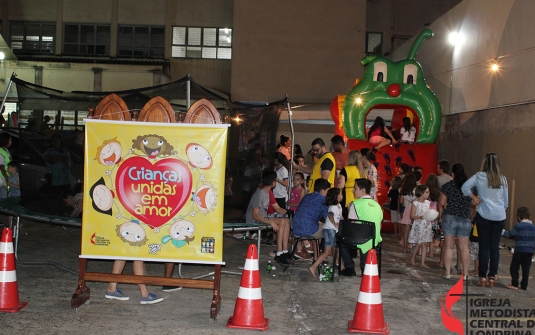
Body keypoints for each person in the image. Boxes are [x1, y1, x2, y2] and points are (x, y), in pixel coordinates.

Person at [462, 153, 508, 288]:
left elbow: (464, 187)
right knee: (495, 247)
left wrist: (474, 198)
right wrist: (499, 210)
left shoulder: (479, 176)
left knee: (484, 247)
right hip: (499, 216)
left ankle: (482, 276)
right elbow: (506, 201)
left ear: (485, 163)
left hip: (484, 215)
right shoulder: (503, 179)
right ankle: (492, 277)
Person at [246, 170, 291, 266]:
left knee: (286, 220)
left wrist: (289, 212)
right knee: (282, 221)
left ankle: (285, 251)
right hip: (254, 220)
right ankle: (279, 253)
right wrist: (270, 222)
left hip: (262, 217)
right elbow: (255, 215)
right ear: (273, 182)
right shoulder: (260, 193)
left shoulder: (268, 191)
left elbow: (278, 208)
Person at [340, 178, 383, 276]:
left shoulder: (355, 204)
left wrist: (349, 209)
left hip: (359, 239)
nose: (353, 191)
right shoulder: (377, 205)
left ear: (363, 190)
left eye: (355, 188)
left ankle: (349, 267)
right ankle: (365, 267)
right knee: (365, 238)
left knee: (340, 240)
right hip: (374, 240)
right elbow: (379, 223)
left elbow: (351, 225)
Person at [438, 163, 473, 278]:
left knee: (449, 246)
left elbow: (442, 203)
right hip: (465, 217)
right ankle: (466, 274)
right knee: (464, 247)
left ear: (452, 173)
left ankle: (448, 272)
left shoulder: (448, 186)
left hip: (450, 217)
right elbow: (473, 202)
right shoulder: (469, 187)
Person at [291, 178, 330, 260]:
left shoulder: (307, 196)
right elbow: (328, 218)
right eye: (327, 191)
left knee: (316, 225)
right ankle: (319, 257)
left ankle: (312, 251)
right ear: (323, 190)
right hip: (307, 230)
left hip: (295, 228)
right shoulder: (323, 200)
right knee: (329, 229)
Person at [309, 187, 342, 278]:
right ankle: (313, 267)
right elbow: (330, 214)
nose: (342, 195)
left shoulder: (339, 206)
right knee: (327, 252)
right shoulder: (333, 206)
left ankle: (341, 266)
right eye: (340, 193)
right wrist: (334, 223)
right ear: (336, 196)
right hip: (329, 230)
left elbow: (339, 217)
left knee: (334, 248)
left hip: (332, 230)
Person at [502, 207, 535, 291]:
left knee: (514, 267)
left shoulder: (519, 226)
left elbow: (510, 234)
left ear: (518, 217)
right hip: (530, 251)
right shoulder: (533, 227)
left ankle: (515, 284)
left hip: (520, 250)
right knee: (526, 269)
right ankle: (524, 286)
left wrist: (502, 231)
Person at [408, 185, 433, 268]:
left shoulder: (428, 202)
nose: (428, 194)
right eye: (426, 192)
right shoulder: (416, 203)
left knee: (425, 244)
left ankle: (423, 262)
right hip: (419, 225)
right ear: (421, 193)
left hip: (426, 225)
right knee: (419, 244)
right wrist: (419, 217)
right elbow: (411, 216)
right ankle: (412, 258)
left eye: (428, 192)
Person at [336, 150, 366, 218]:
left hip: (348, 200)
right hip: (360, 201)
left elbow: (340, 185)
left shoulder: (346, 169)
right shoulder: (363, 171)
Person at [399, 173, 417, 252]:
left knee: (406, 229)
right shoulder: (416, 190)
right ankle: (414, 247)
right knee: (415, 228)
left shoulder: (402, 190)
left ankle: (405, 247)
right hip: (415, 210)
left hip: (407, 210)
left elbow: (401, 201)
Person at [425, 173, 441, 258]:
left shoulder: (426, 192)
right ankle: (431, 252)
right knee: (433, 235)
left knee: (427, 234)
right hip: (434, 216)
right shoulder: (438, 192)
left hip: (427, 215)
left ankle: (427, 251)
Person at [0, 132, 12, 199]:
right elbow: (1, 167)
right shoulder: (0, 152)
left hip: (5, 178)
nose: (11, 142)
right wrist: (6, 178)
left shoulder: (6, 150)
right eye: (10, 140)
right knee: (3, 198)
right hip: (2, 179)